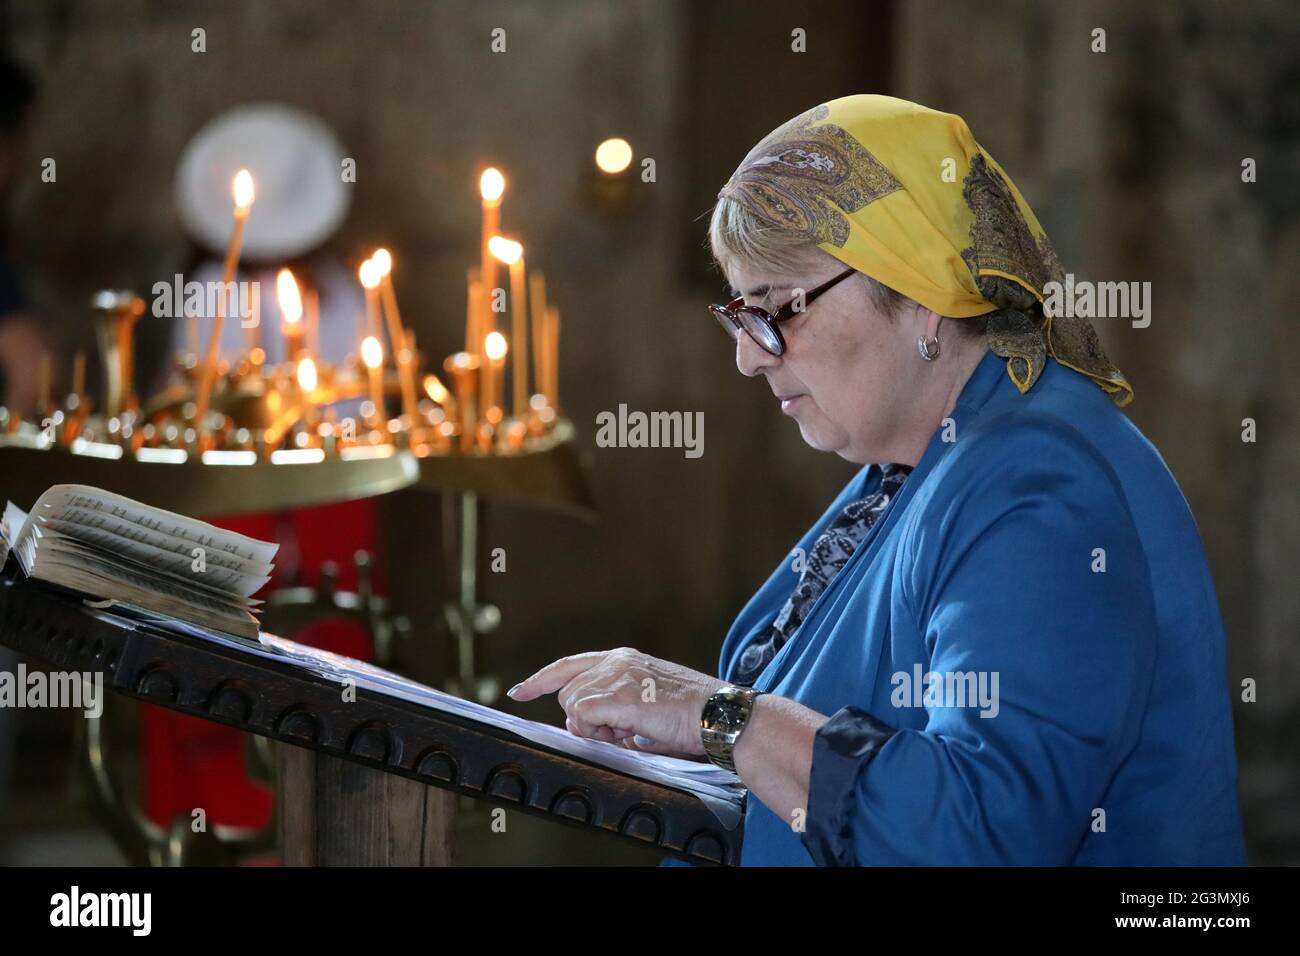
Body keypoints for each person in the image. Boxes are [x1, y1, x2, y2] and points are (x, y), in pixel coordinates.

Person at [508, 95, 1246, 866]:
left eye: (776, 310)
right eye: (738, 314)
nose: (749, 356)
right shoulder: (924, 455)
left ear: (921, 295)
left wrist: (719, 717)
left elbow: (980, 834)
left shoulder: (1039, 485)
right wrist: (687, 741)